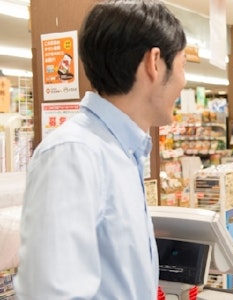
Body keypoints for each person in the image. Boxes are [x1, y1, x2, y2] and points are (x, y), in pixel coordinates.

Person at [14, 0, 187, 299]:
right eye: (183, 66)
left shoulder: (122, 153)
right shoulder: (73, 154)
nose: (184, 82)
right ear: (154, 63)